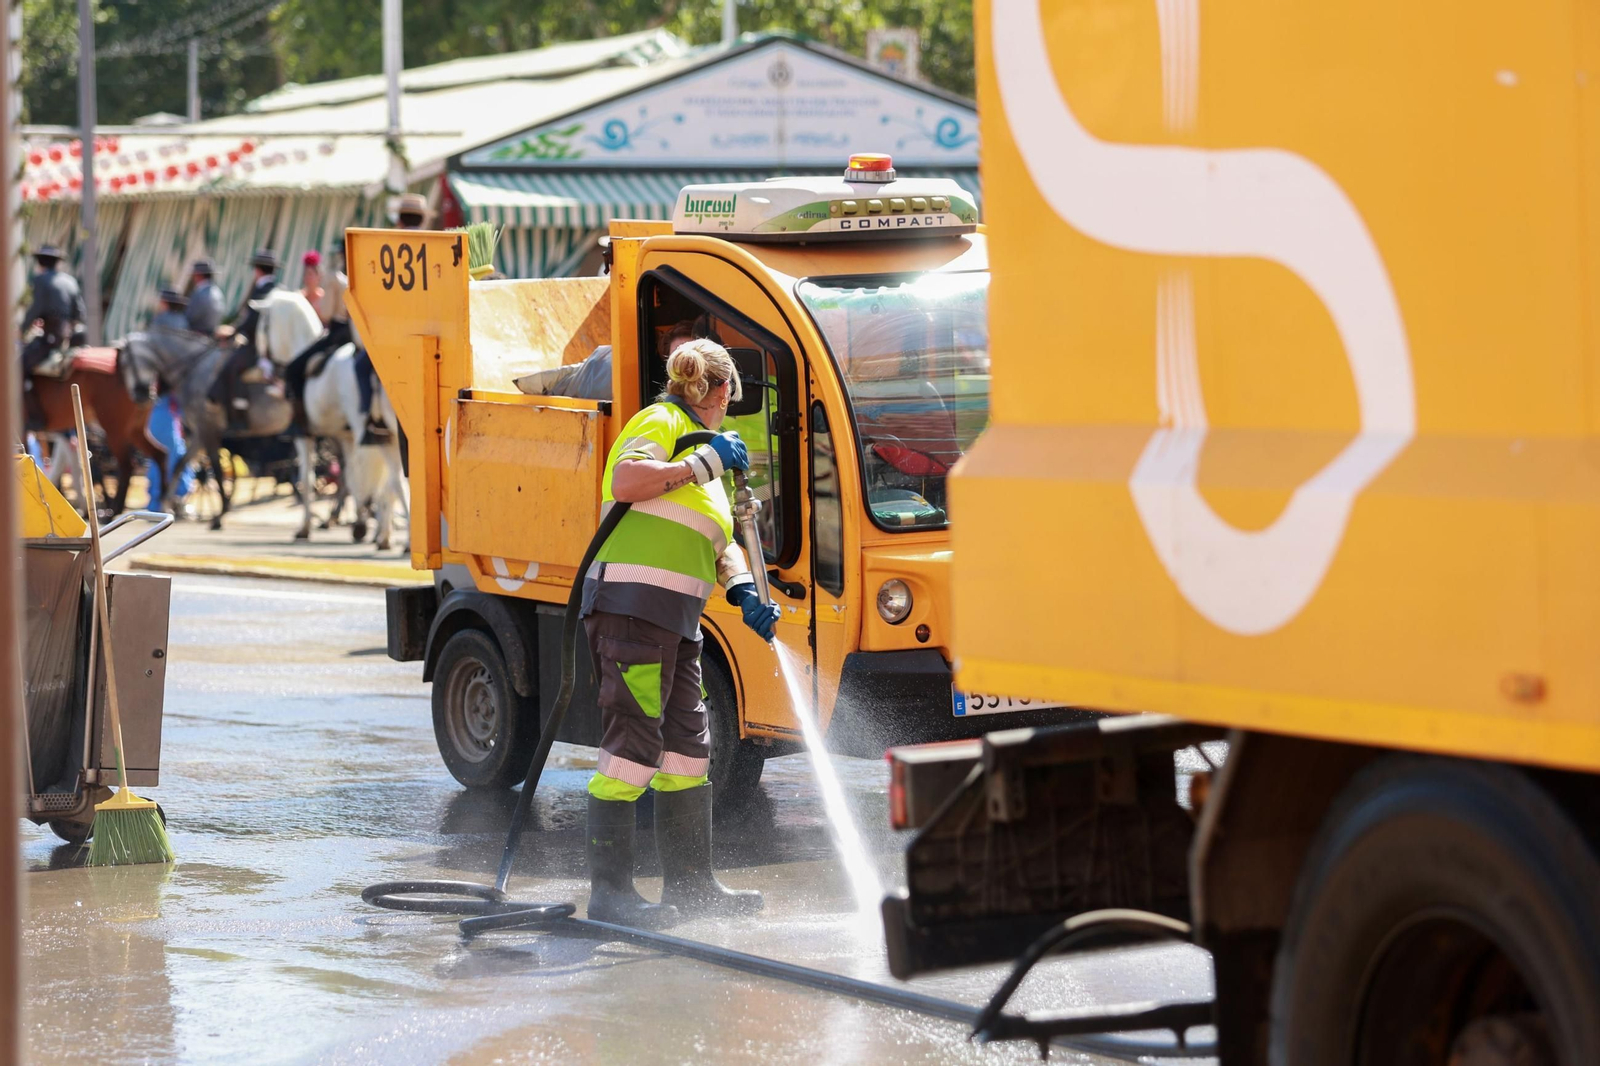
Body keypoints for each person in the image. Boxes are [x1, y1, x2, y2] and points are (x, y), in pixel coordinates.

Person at [579, 339, 781, 928]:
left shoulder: (709, 464)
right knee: (632, 747)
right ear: (720, 393)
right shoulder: (661, 420)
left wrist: (743, 591)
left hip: (678, 624)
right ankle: (610, 893)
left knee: (689, 752)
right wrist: (702, 461)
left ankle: (692, 886)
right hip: (631, 614)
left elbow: (714, 542)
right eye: (731, 400)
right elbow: (625, 481)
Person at [284, 246, 356, 435]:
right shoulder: (357, 277)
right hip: (354, 333)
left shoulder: (335, 279)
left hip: (336, 333)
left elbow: (325, 313)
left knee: (293, 369)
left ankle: (300, 422)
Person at [217, 248, 278, 430]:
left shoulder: (262, 290)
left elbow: (252, 321)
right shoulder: (276, 288)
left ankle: (239, 413)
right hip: (266, 342)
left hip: (257, 345)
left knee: (231, 367)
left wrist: (232, 331)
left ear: (258, 270)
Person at [20, 244, 86, 376]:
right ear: (57, 263)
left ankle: (28, 394)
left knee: (18, 366)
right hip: (70, 338)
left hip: (50, 339)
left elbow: (34, 310)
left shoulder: (40, 280)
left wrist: (21, 330)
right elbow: (80, 314)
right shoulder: (71, 281)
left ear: (39, 262)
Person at [185, 258, 225, 336]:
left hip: (196, 335)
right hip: (211, 334)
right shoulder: (218, 292)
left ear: (198, 274)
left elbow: (190, 317)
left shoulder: (200, 293)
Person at [300, 250, 326, 322]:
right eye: (305, 274)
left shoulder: (323, 298)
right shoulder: (299, 296)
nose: (307, 278)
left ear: (319, 276)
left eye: (310, 274)